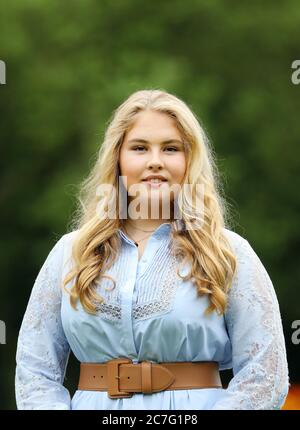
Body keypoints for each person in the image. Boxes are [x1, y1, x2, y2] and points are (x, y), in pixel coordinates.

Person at [15, 89, 289, 410]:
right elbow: (35, 371)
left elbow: (265, 375)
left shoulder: (229, 253)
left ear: (190, 162)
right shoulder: (70, 253)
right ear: (118, 158)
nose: (155, 162)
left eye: (171, 149)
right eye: (140, 148)